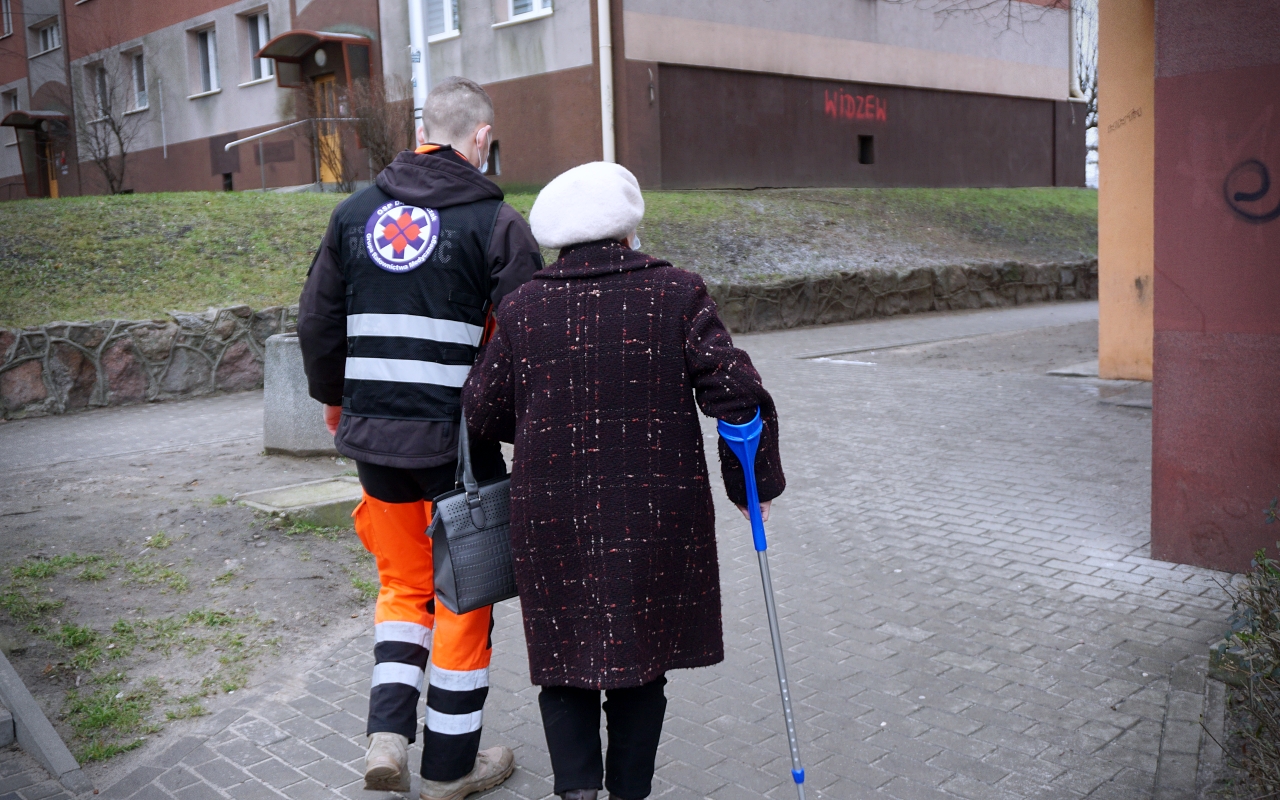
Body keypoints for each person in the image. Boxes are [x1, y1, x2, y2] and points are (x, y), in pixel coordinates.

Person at [461, 162, 786, 800]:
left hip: (551, 516)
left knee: (562, 663)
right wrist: (752, 489)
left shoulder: (523, 308)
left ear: (558, 237)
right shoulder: (677, 292)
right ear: (628, 227)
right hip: (654, 514)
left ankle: (578, 792)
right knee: (641, 665)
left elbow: (480, 410)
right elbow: (739, 397)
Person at [297, 76, 543, 800]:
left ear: (420, 130)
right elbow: (525, 340)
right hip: (456, 451)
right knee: (462, 599)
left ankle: (386, 740)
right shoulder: (497, 224)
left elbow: (318, 321)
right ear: (480, 139)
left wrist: (335, 403)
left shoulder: (353, 212)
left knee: (403, 587)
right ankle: (449, 769)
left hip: (375, 441)